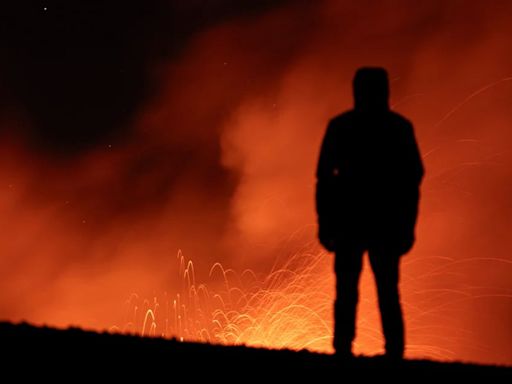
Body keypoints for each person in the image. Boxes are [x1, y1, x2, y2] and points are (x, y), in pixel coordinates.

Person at [316, 67, 424, 359]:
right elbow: (411, 180)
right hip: (381, 223)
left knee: (351, 290)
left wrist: (325, 224)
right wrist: (407, 225)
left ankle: (344, 349)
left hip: (353, 222)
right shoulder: (399, 128)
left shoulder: (342, 127)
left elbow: (324, 179)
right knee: (386, 291)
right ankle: (392, 351)